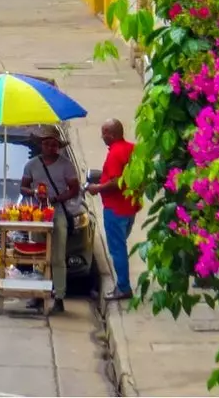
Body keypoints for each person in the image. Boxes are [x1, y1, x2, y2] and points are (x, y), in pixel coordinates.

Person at [21, 129, 82, 314]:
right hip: (38, 215)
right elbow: (23, 187)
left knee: (57, 257)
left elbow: (74, 189)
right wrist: (34, 193)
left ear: (58, 147)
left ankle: (59, 297)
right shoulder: (31, 164)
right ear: (41, 145)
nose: (50, 147)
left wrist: (56, 198)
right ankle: (37, 295)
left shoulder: (66, 165)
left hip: (58, 214)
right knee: (37, 255)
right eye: (47, 144)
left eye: (54, 144)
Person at [86, 119, 139, 300]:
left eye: (104, 133)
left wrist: (97, 188)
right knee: (120, 247)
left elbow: (117, 182)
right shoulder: (131, 149)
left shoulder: (115, 153)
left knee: (117, 249)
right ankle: (122, 285)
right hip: (130, 207)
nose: (102, 137)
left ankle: (123, 287)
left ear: (112, 134)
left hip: (115, 209)